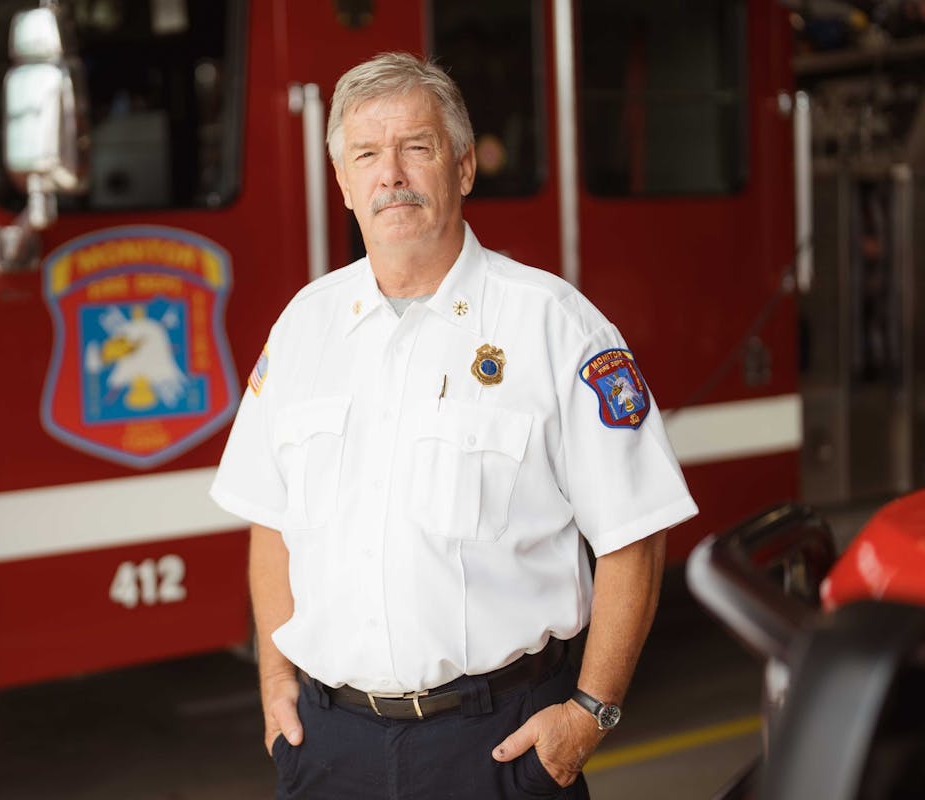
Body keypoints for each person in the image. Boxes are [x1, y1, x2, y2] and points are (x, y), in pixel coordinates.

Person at [210, 52, 698, 799]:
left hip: (497, 747)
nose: (391, 174)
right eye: (366, 155)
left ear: (464, 167)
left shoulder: (554, 326)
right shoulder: (304, 328)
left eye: (418, 147)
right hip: (326, 748)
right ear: (342, 183)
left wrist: (590, 714)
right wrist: (275, 682)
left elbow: (635, 534)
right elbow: (271, 522)